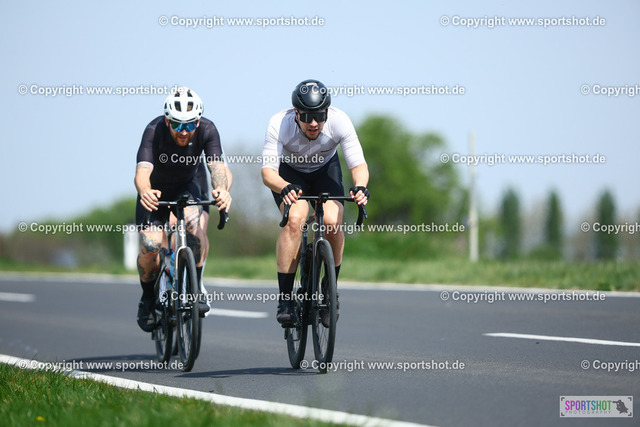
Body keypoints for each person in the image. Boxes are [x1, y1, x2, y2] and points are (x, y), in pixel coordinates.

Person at [261, 79, 369, 325]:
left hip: (325, 172)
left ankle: (330, 290)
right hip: (290, 175)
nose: (313, 123)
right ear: (296, 113)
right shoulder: (279, 123)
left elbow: (358, 165)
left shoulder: (340, 121)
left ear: (327, 112)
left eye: (320, 116)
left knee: (331, 222)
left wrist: (361, 187)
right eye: (307, 116)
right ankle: (285, 300)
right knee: (295, 220)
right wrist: (284, 187)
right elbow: (268, 173)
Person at [134, 86, 232, 332]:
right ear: (167, 120)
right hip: (155, 190)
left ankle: (195, 288)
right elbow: (142, 172)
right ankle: (148, 298)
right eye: (177, 125)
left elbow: (218, 167)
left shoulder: (208, 129)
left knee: (193, 226)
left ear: (198, 121)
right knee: (150, 246)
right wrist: (145, 191)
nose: (184, 131)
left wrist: (222, 190)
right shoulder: (153, 130)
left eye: (189, 125)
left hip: (189, 185)